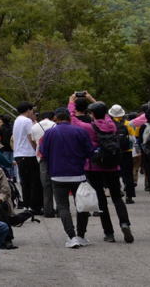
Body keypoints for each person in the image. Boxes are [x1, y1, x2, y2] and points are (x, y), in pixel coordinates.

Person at [68, 93, 133, 243]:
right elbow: (105, 113)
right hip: (113, 166)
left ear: (91, 114)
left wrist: (71, 102)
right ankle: (124, 223)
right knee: (117, 198)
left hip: (94, 166)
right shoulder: (112, 125)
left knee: (102, 200)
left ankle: (109, 233)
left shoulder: (89, 127)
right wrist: (92, 99)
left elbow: (72, 119)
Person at [39, 107, 94, 247]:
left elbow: (43, 153)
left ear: (55, 119)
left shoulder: (49, 133)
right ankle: (81, 235)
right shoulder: (80, 131)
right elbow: (90, 151)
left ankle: (72, 236)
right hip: (78, 174)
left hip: (57, 175)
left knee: (63, 206)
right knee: (81, 205)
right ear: (70, 118)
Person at [12, 101, 42, 214]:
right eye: (32, 111)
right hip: (28, 154)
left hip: (19, 154)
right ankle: (34, 206)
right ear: (28, 110)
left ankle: (27, 204)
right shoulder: (27, 121)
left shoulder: (17, 120)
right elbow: (31, 138)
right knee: (34, 181)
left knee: (25, 181)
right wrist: (37, 149)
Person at [31, 110, 57, 217]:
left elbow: (33, 141)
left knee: (45, 185)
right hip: (55, 157)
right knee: (57, 183)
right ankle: (60, 209)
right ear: (53, 117)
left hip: (41, 157)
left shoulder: (35, 127)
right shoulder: (55, 125)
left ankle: (48, 210)